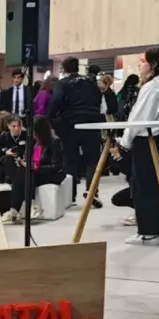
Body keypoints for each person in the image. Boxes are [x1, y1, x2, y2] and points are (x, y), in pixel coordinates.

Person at [118, 48, 159, 246]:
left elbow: (139, 119)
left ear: (153, 64)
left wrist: (125, 141)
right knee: (155, 186)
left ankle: (149, 232)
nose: (140, 65)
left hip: (148, 141)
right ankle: (155, 229)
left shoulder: (153, 86)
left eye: (143, 61)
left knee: (144, 187)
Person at [47, 56, 105, 206]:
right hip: (91, 123)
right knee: (92, 160)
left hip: (70, 125)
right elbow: (99, 99)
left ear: (64, 69)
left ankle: (70, 196)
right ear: (78, 67)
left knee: (70, 161)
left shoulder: (62, 83)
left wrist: (50, 118)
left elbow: (56, 101)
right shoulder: (90, 82)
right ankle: (92, 192)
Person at [1, 116, 65, 223]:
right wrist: (23, 163)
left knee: (24, 174)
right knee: (22, 173)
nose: (33, 134)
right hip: (33, 171)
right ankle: (29, 206)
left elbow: (56, 166)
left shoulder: (54, 141)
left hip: (50, 173)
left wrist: (35, 168)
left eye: (35, 132)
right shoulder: (31, 140)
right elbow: (26, 158)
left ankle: (15, 211)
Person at [0, 115, 26, 183]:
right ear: (8, 126)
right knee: (8, 159)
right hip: (9, 162)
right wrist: (5, 152)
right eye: (14, 126)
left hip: (22, 161)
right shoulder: (5, 136)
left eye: (19, 126)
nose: (17, 129)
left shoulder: (25, 134)